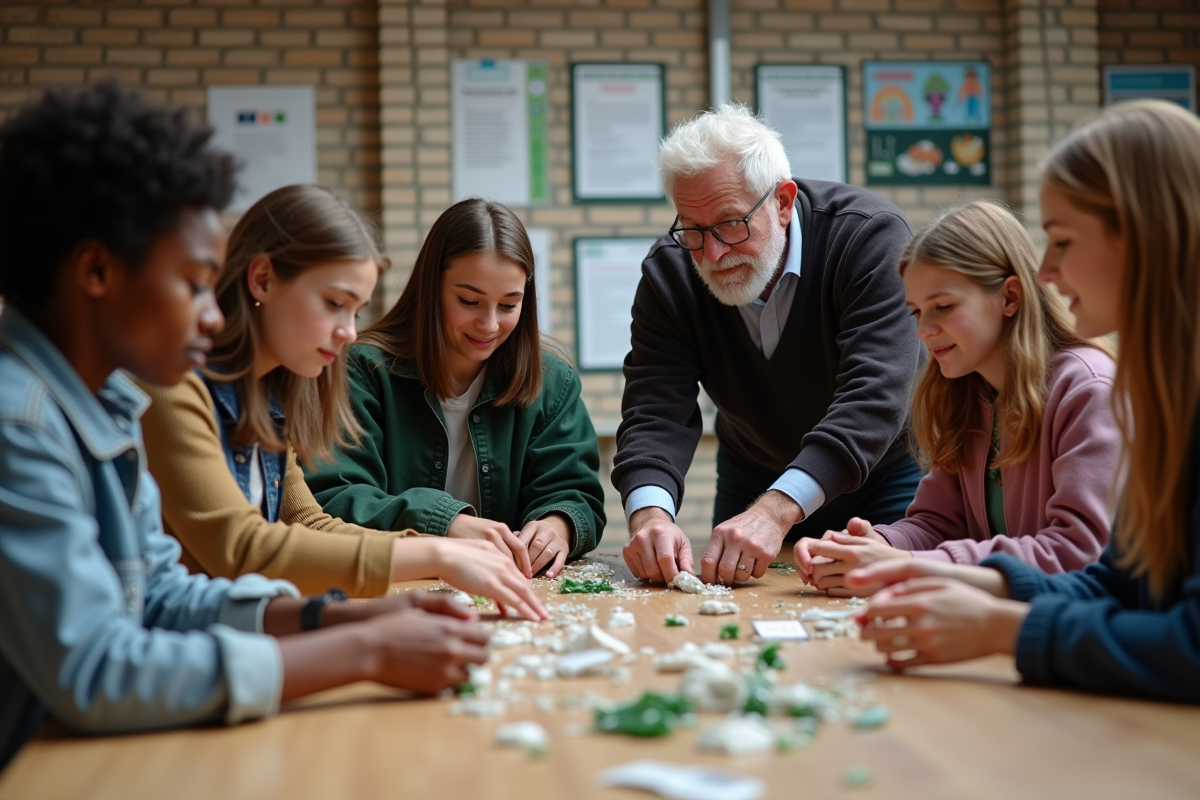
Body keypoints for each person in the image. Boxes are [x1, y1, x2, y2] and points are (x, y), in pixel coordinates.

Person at [0, 81, 492, 770]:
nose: (211, 313)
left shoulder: (107, 407)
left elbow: (162, 595)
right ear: (96, 269)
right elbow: (96, 671)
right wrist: (362, 650)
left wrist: (335, 617)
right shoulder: (17, 425)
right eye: (195, 283)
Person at [847, 99, 1200, 702]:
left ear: (1145, 235)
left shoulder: (1093, 385)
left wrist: (1001, 623)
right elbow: (1117, 583)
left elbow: (1185, 642)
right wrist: (918, 565)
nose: (1048, 270)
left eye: (1061, 240)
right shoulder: (1165, 390)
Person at [137, 184, 546, 618]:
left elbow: (311, 525)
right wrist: (438, 555)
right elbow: (242, 548)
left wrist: (440, 550)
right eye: (335, 303)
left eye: (356, 311)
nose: (349, 332)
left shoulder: (271, 393)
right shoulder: (173, 385)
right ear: (262, 279)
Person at [614, 103, 923, 587]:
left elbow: (875, 395)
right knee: (731, 608)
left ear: (782, 201)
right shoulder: (671, 273)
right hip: (755, 468)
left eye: (731, 224)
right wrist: (650, 514)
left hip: (885, 469)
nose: (712, 254)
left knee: (880, 607)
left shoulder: (868, 237)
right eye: (692, 230)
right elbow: (656, 408)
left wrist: (777, 511)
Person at [794, 201, 1118, 595]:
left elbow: (1077, 554)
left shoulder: (1088, 389)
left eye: (943, 307)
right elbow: (938, 524)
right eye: (916, 312)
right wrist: (875, 546)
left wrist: (907, 566)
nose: (924, 330)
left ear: (1010, 297)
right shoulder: (968, 390)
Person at [304, 198, 605, 579]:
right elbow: (332, 495)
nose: (489, 324)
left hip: (510, 591)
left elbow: (576, 493)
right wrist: (446, 522)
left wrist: (558, 526)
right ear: (431, 289)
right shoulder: (361, 370)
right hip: (393, 587)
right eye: (469, 301)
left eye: (509, 305)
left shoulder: (552, 381)